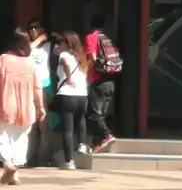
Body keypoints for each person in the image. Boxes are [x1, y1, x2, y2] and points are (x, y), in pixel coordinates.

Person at [0, 28, 46, 185]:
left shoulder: (3, 60)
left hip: (5, 106)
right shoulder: (30, 64)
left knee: (3, 136)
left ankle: (8, 165)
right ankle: (15, 172)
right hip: (26, 108)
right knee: (21, 139)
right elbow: (37, 88)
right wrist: (40, 107)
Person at [54, 32, 90, 170]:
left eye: (61, 41)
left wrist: (68, 77)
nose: (59, 44)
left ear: (67, 43)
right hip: (82, 96)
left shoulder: (64, 54)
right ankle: (82, 144)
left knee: (67, 130)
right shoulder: (82, 57)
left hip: (67, 95)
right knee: (80, 119)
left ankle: (69, 162)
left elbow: (65, 63)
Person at [84, 13, 119, 152]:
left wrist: (86, 75)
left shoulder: (91, 37)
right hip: (110, 80)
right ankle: (97, 144)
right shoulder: (107, 38)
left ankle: (106, 136)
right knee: (101, 114)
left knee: (93, 114)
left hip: (98, 80)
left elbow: (92, 58)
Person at [25, 20, 53, 167]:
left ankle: (43, 158)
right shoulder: (27, 45)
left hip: (43, 86)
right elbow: (27, 49)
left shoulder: (48, 46)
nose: (33, 30)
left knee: (43, 125)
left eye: (36, 27)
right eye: (30, 28)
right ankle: (29, 157)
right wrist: (39, 38)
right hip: (28, 87)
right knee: (31, 125)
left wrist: (44, 38)